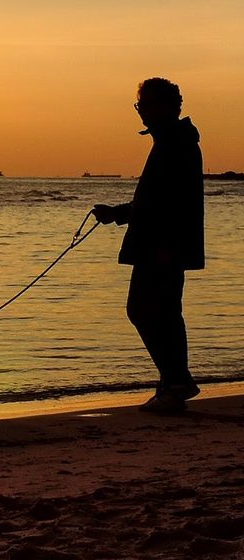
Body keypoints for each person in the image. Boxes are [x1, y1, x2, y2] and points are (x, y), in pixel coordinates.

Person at [92, 77, 204, 415]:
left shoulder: (176, 143)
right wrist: (119, 214)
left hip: (163, 245)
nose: (141, 111)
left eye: (146, 105)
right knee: (159, 312)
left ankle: (176, 381)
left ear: (167, 106)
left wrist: (168, 245)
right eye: (139, 105)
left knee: (149, 311)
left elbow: (174, 202)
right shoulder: (170, 140)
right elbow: (154, 200)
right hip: (160, 243)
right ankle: (173, 381)